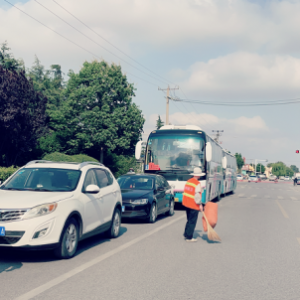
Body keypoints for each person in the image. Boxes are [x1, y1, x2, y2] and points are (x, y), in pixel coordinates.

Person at [182, 167, 205, 242]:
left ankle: (186, 234)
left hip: (186, 204)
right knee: (192, 221)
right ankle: (189, 237)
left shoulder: (188, 181)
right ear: (198, 175)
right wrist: (200, 205)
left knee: (189, 220)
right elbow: (197, 196)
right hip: (193, 205)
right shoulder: (197, 183)